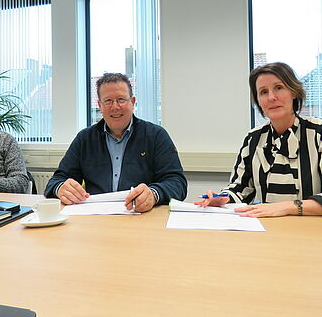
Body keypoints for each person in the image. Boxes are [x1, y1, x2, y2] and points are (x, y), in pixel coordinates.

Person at [44, 73, 187, 212]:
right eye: (108, 101)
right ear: (99, 105)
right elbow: (55, 181)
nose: (115, 107)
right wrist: (61, 188)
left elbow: (177, 183)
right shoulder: (85, 139)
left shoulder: (156, 136)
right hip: (95, 218)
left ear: (132, 102)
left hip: (140, 217)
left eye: (121, 99)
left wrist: (154, 194)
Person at [196, 62, 322, 217]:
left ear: (294, 92)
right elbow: (240, 188)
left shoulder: (318, 133)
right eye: (263, 92)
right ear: (258, 101)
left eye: (279, 88)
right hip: (267, 225)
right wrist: (223, 199)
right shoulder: (253, 139)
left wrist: (288, 207)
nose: (271, 97)